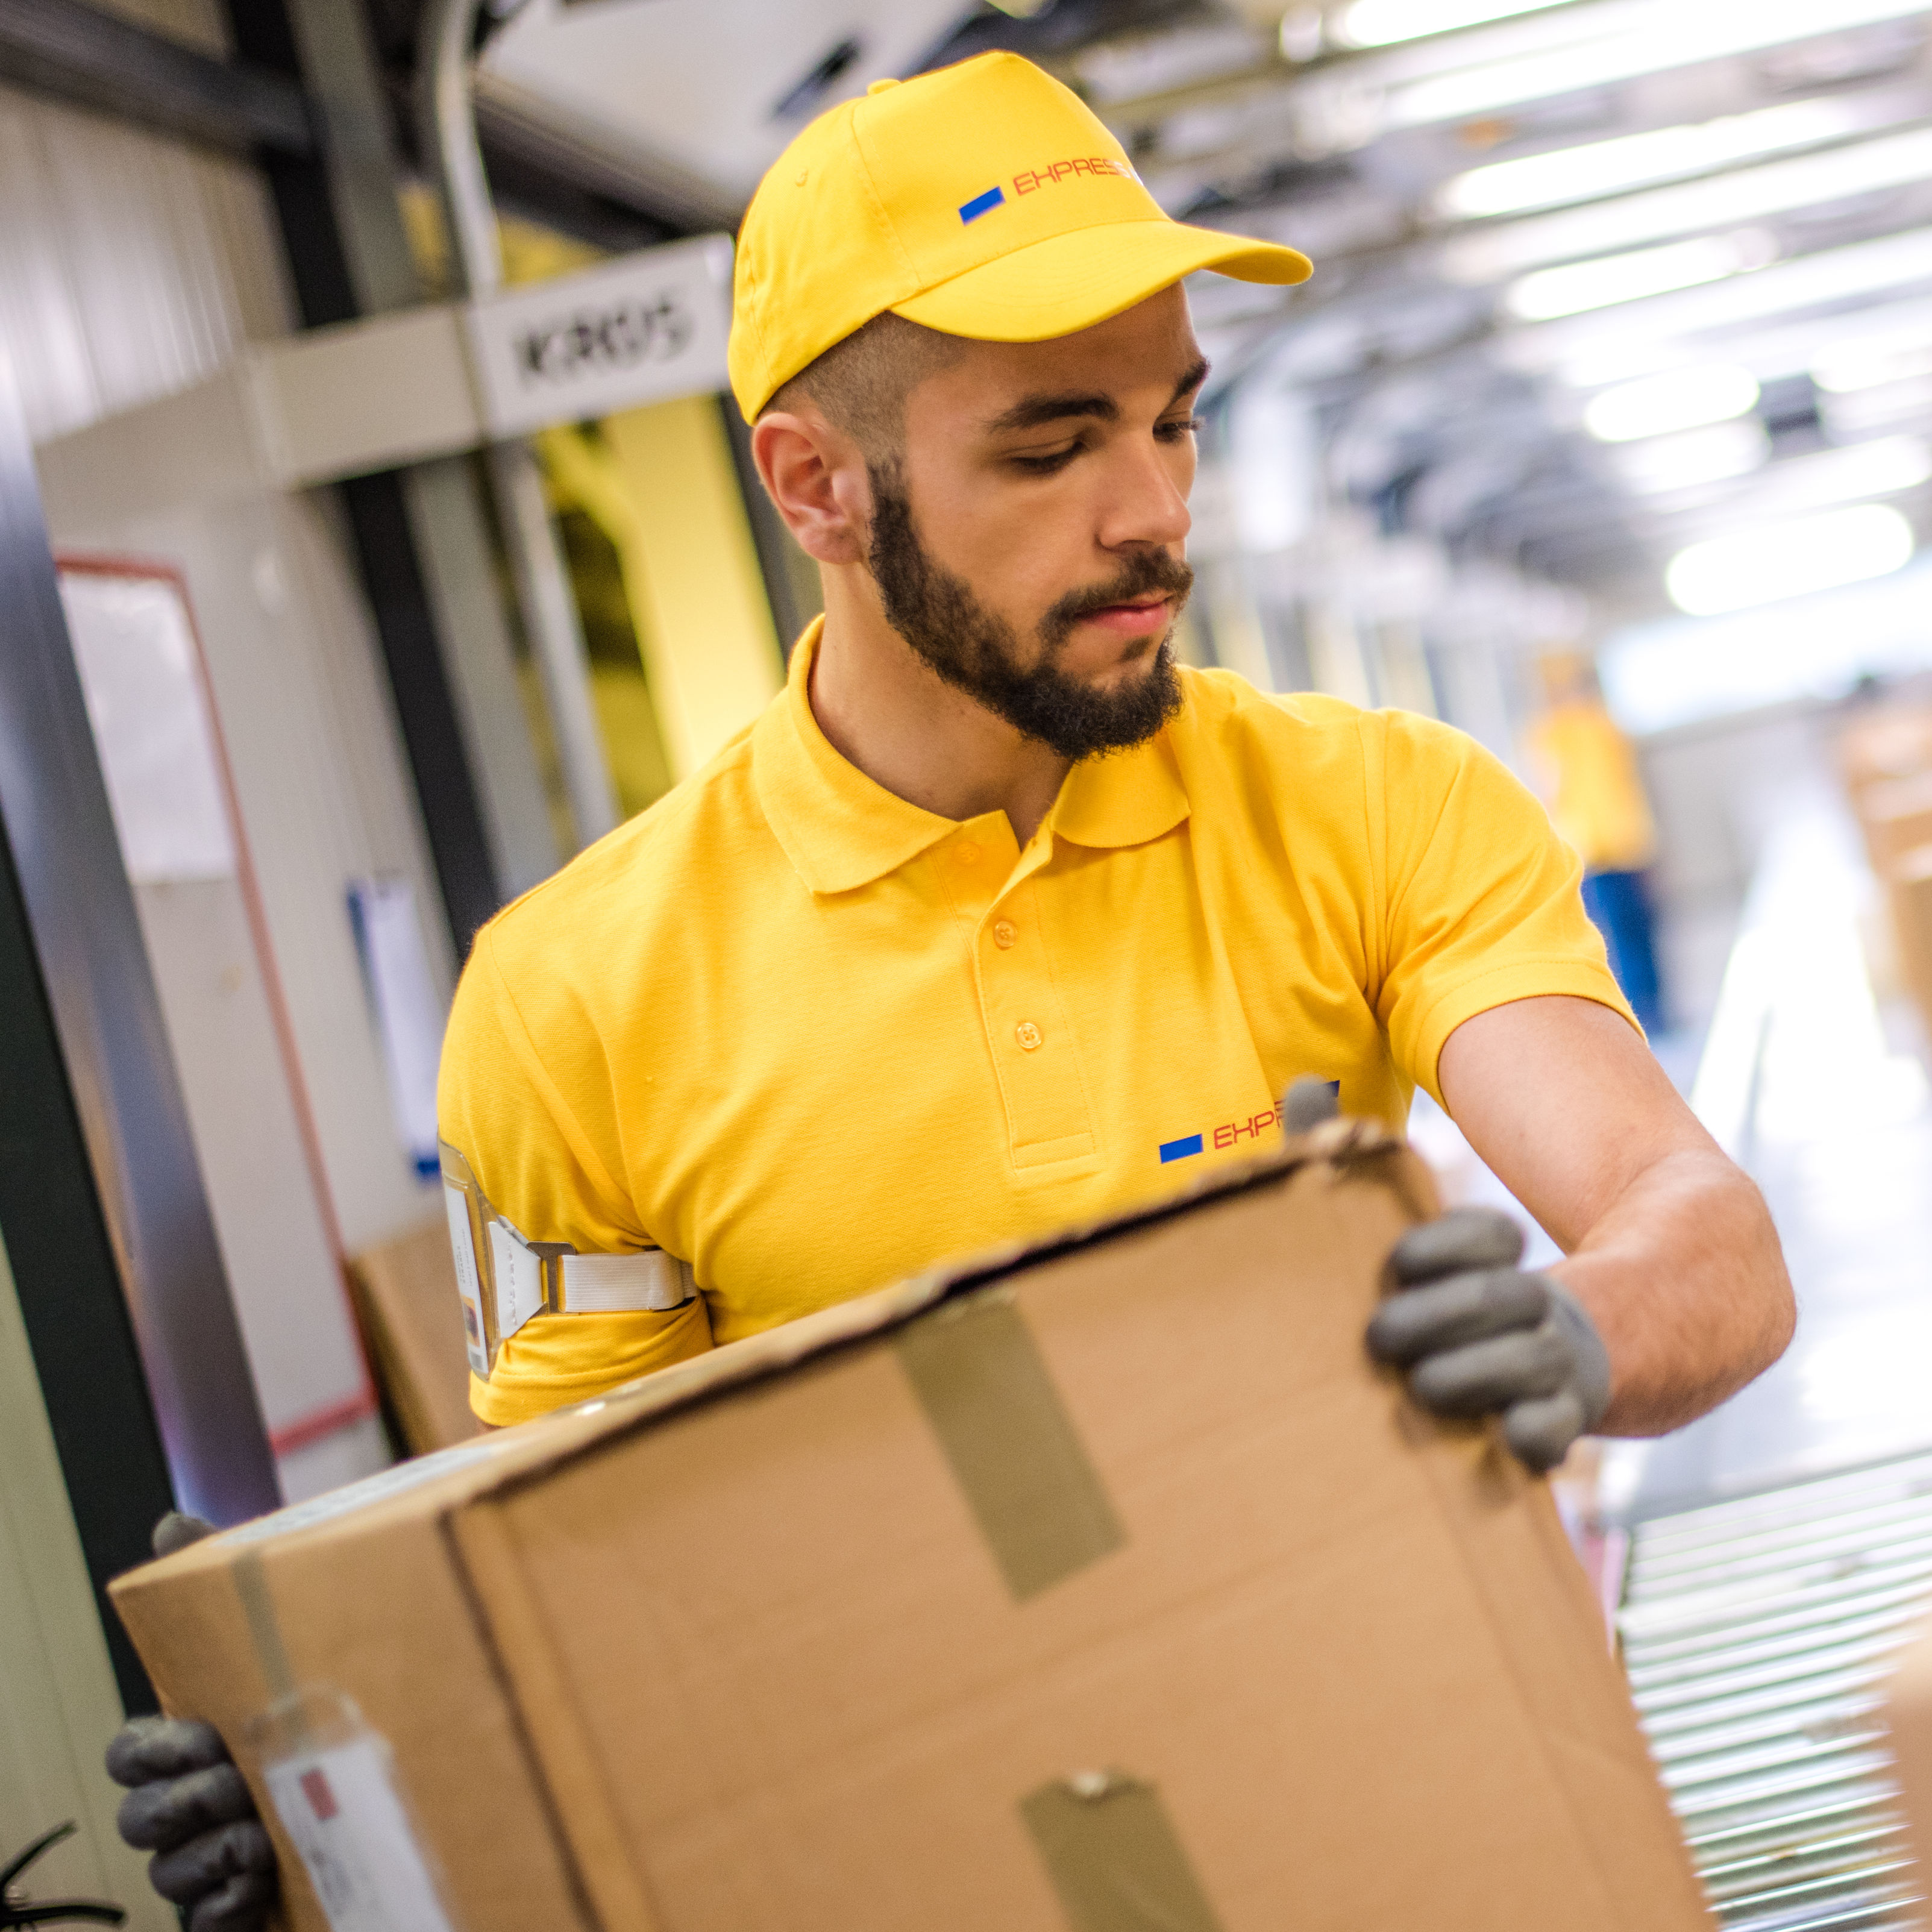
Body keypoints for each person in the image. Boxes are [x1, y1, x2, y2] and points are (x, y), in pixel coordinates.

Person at [108, 52, 1793, 1930]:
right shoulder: (567, 1000)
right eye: (1051, 445)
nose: (1151, 511)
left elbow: (1698, 1227)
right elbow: (573, 1602)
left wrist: (1574, 1337)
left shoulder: (1376, 807)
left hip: (1395, 1801)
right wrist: (335, 1805)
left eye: (1174, 421)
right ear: (817, 484)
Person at [1528, 650, 1666, 1035]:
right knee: (1617, 938)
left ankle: (1653, 1009)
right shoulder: (1554, 733)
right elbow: (1552, 791)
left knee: (1640, 931)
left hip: (1625, 844)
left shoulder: (1599, 728)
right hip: (1593, 851)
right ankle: (1642, 1013)